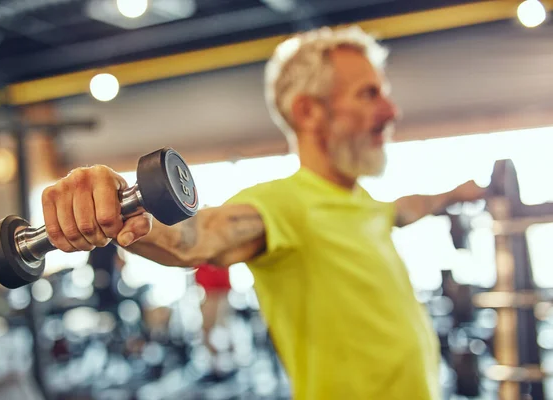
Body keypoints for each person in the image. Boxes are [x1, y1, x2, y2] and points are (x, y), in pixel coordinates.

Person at [39, 26, 487, 399]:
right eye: (370, 95)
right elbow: (196, 237)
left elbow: (405, 209)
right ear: (309, 111)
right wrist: (119, 205)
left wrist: (455, 193)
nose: (391, 111)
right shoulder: (285, 203)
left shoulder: (364, 203)